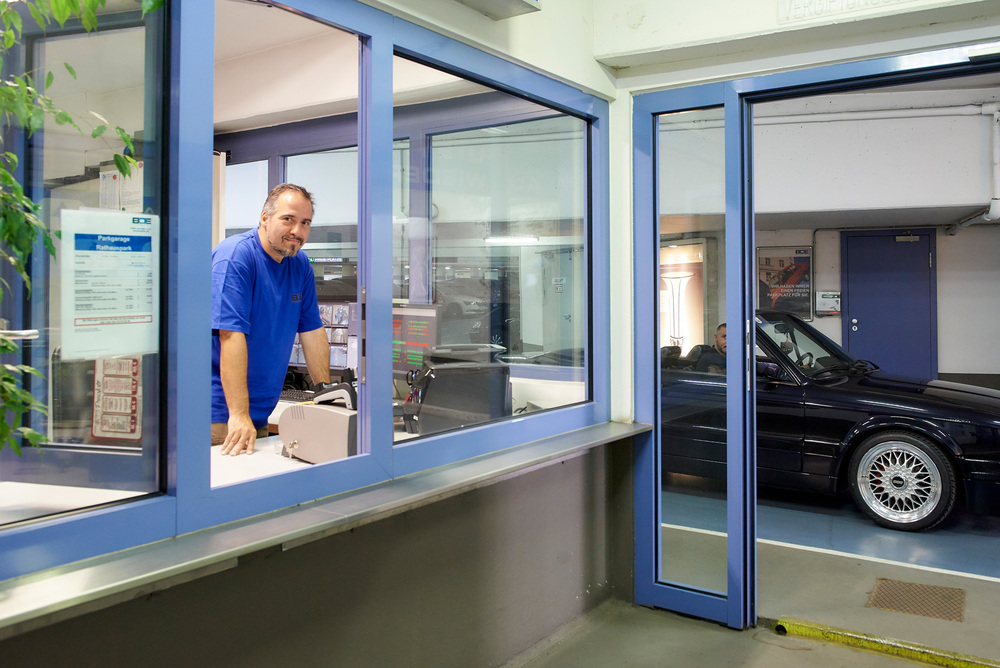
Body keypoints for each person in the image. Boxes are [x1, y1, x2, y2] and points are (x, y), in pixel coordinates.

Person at [211, 183, 331, 456]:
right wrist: (238, 415)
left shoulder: (299, 265)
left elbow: (312, 331)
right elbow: (230, 335)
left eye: (305, 223)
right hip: (221, 412)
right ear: (264, 217)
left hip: (260, 411)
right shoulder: (236, 256)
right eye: (288, 219)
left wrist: (327, 397)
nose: (297, 232)